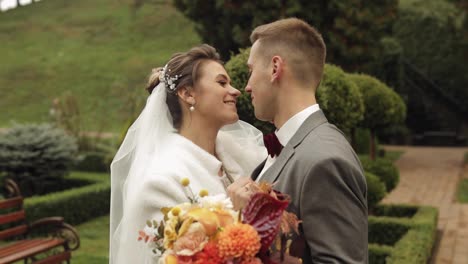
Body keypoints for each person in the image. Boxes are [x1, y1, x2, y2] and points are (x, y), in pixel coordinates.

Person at [109, 44, 267, 263]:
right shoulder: (159, 182)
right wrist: (241, 216)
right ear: (188, 94)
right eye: (222, 82)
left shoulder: (240, 156)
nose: (235, 91)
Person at [228, 18, 368, 263]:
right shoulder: (288, 146)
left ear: (275, 68)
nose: (247, 86)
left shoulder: (325, 160)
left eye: (251, 71)